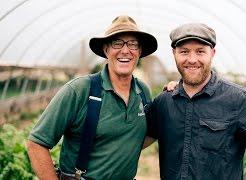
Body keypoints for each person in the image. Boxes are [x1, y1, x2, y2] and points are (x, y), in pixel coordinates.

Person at [146, 23, 246, 180]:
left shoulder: (238, 99)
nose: (192, 60)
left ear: (212, 53)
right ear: (174, 53)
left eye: (200, 51)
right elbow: (135, 141)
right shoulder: (164, 102)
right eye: (184, 52)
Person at [26, 15, 157, 179]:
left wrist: (172, 92)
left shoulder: (142, 91)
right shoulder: (79, 90)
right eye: (117, 43)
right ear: (106, 49)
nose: (125, 50)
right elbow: (36, 143)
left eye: (133, 44)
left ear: (139, 52)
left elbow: (143, 135)